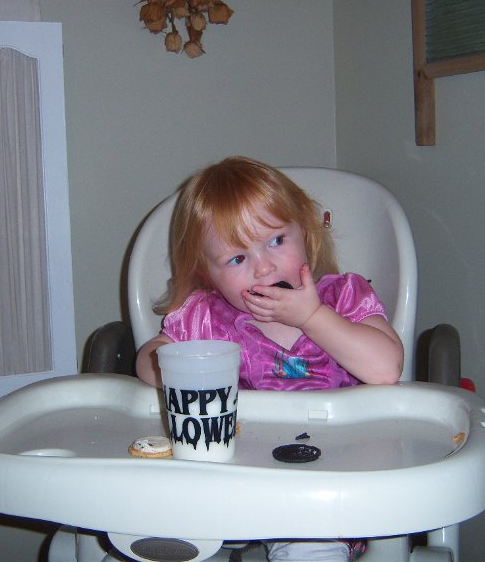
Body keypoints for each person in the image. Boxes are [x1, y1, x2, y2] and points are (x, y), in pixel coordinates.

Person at [135, 156, 403, 561]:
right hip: (226, 481)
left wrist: (313, 317)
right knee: (157, 521)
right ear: (207, 275)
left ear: (305, 233)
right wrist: (175, 366)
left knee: (312, 548)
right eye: (237, 259)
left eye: (276, 241)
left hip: (324, 485)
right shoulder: (205, 317)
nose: (263, 268)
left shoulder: (343, 298)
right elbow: (150, 359)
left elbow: (385, 368)